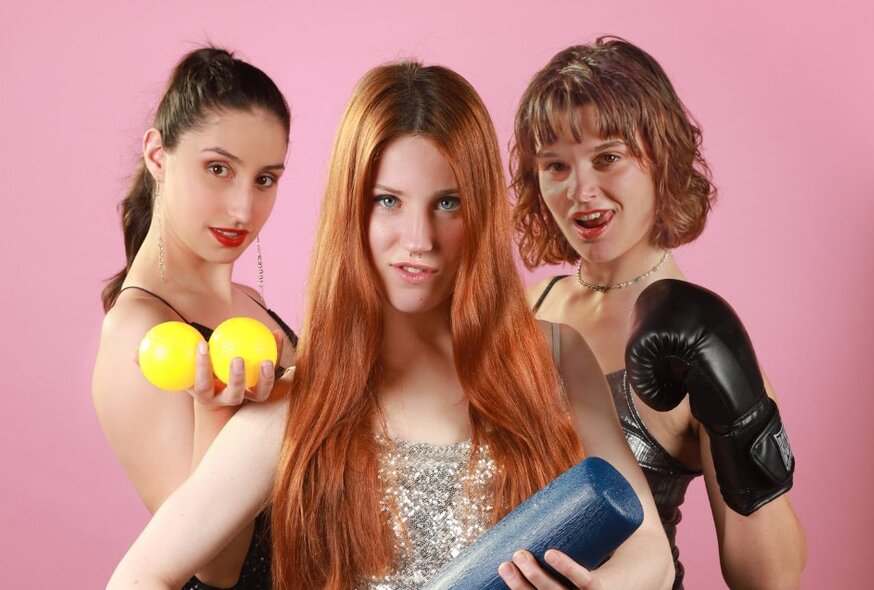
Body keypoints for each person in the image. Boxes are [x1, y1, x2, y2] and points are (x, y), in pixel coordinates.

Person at [107, 61, 675, 590]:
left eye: (447, 203)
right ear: (350, 209)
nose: (419, 240)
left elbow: (650, 549)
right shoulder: (298, 401)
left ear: (480, 208)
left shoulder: (555, 357)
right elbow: (142, 575)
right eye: (388, 201)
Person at [511, 37, 806, 588]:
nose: (581, 191)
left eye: (608, 157)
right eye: (555, 165)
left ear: (660, 156)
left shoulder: (702, 339)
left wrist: (737, 407)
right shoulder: (528, 310)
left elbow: (770, 578)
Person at [92, 47, 297, 589]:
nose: (243, 210)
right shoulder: (137, 333)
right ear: (158, 156)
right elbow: (215, 568)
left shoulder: (249, 300)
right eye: (218, 169)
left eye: (265, 179)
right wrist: (215, 415)